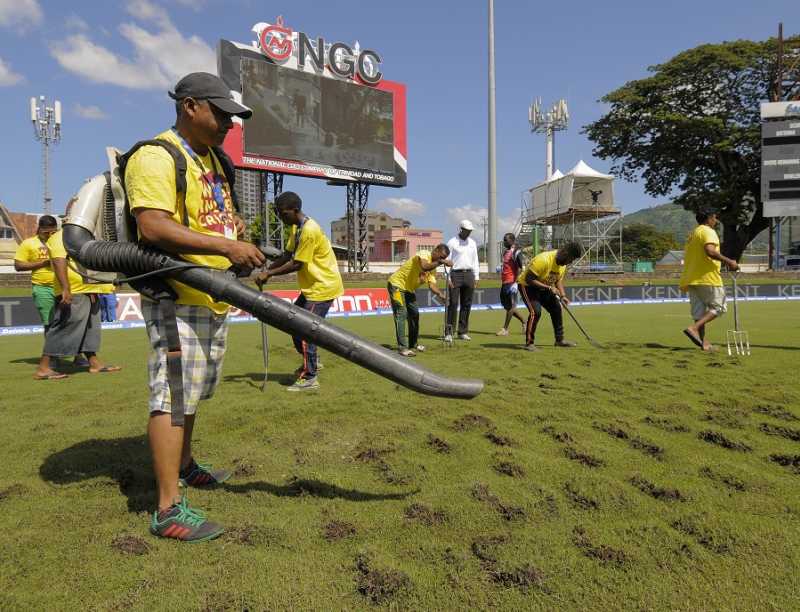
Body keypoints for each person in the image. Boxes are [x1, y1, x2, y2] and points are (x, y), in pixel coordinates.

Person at [125, 72, 265, 541]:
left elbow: (209, 216)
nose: (229, 122)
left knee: (192, 393)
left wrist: (233, 230)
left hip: (212, 297)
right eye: (221, 112)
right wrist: (225, 249)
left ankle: (185, 466)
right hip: (175, 298)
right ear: (189, 106)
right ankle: (167, 510)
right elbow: (152, 226)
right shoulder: (155, 156)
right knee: (172, 396)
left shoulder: (213, 161)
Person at [256, 191, 343, 391]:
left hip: (322, 288)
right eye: (278, 213)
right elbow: (287, 255)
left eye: (283, 213)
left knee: (305, 331)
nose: (280, 217)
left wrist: (268, 275)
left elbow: (297, 264)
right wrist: (266, 270)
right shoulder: (297, 227)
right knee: (294, 325)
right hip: (312, 287)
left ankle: (310, 377)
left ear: (295, 210)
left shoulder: (309, 230)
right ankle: (313, 361)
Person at [32, 227, 122, 379]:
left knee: (90, 329)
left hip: (89, 289)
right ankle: (44, 367)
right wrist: (66, 289)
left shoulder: (86, 235)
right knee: (65, 326)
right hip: (74, 291)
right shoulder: (62, 236)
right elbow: (59, 260)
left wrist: (95, 287)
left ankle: (94, 363)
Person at [679, 210, 739, 351]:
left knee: (699, 314)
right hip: (707, 277)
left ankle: (704, 343)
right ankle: (693, 328)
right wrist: (730, 262)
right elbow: (710, 251)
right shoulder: (708, 231)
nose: (716, 221)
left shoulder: (693, 234)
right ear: (709, 218)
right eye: (715, 218)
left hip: (692, 278)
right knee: (719, 307)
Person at [517, 242, 583, 351]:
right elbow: (529, 279)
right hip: (527, 286)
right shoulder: (543, 260)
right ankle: (529, 343)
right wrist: (548, 288)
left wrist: (562, 296)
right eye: (571, 259)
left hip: (544, 287)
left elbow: (558, 280)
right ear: (565, 253)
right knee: (535, 312)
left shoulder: (562, 265)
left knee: (556, 308)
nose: (571, 262)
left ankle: (559, 340)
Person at [387, 244, 451, 356]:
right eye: (440, 256)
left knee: (415, 314)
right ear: (435, 250)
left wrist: (441, 295)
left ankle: (413, 344)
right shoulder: (424, 254)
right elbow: (424, 266)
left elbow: (432, 285)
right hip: (396, 285)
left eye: (443, 258)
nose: (441, 259)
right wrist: (442, 262)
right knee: (401, 313)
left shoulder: (433, 268)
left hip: (409, 289)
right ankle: (402, 347)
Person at [14, 215, 58, 332]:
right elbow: (18, 265)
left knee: (68, 321)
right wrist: (44, 263)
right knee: (50, 323)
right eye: (46, 232)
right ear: (39, 229)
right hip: (42, 288)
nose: (49, 235)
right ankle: (51, 350)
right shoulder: (28, 243)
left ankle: (65, 349)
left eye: (53, 232)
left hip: (65, 286)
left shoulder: (61, 241)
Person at [445, 220, 480, 341]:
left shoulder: (473, 243)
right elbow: (446, 261)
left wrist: (476, 277)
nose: (469, 232)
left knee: (467, 304)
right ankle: (449, 332)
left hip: (469, 274)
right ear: (461, 229)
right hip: (455, 274)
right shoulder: (452, 242)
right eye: (466, 230)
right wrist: (448, 277)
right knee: (453, 303)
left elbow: (475, 260)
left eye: (470, 231)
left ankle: (462, 331)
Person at [496, 232, 525, 336]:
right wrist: (501, 268)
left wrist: (516, 283)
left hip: (511, 283)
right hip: (504, 282)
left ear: (512, 241)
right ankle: (524, 321)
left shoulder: (516, 252)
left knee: (511, 306)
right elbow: (507, 266)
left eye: (506, 240)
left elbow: (522, 268)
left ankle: (505, 329)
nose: (504, 242)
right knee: (507, 306)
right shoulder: (505, 252)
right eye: (504, 239)